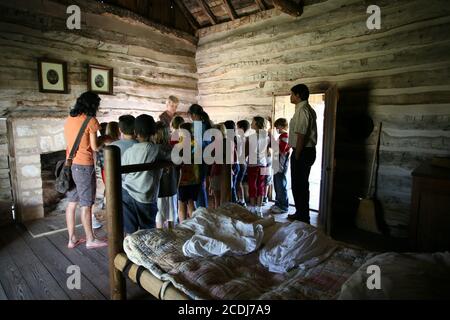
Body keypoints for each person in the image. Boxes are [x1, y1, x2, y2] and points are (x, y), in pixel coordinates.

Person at [64, 91, 108, 249]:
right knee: (86, 205)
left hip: (70, 164)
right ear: (93, 105)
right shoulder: (91, 121)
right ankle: (90, 240)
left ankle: (71, 239)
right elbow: (95, 147)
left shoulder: (70, 118)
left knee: (72, 202)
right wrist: (106, 138)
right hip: (84, 166)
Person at [121, 114, 171, 234]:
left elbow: (123, 175)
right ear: (154, 131)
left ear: (135, 132)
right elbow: (176, 155)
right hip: (145, 197)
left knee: (130, 233)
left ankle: (129, 251)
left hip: (126, 194)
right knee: (147, 232)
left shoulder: (129, 152)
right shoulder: (157, 150)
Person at [287, 84, 317, 224]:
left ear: (298, 95)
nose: (291, 97)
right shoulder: (303, 109)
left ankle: (303, 216)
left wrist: (297, 154)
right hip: (303, 151)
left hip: (302, 151)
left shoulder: (303, 110)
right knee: (299, 185)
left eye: (292, 94)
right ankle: (300, 213)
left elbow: (301, 136)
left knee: (300, 185)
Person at [154, 121, 179, 229]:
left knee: (159, 215)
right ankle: (171, 236)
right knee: (172, 214)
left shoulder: (153, 149)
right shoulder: (173, 148)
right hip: (171, 185)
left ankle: (160, 238)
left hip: (158, 188)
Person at [187, 104, 212, 208]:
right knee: (201, 186)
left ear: (192, 115)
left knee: (198, 187)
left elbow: (196, 145)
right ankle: (203, 209)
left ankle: (201, 210)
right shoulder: (206, 125)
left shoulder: (197, 126)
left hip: (198, 159)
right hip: (205, 158)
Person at [245, 116, 269, 217]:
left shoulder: (250, 138)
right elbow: (267, 152)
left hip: (253, 165)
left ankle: (253, 209)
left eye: (253, 122)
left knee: (252, 185)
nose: (251, 124)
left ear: (257, 124)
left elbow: (246, 153)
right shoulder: (267, 137)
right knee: (261, 185)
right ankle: (259, 210)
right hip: (264, 164)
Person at [177, 122, 200, 222]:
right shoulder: (196, 142)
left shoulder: (180, 143)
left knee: (181, 203)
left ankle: (183, 226)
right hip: (194, 177)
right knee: (191, 202)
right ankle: (193, 224)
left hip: (182, 178)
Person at [271, 118, 291, 214]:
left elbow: (281, 150)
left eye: (277, 126)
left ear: (282, 126)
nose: (276, 129)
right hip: (277, 163)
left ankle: (283, 206)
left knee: (281, 185)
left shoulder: (285, 136)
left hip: (281, 164)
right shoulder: (282, 136)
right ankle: (278, 203)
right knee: (277, 183)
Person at [236, 120, 250, 207]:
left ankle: (242, 200)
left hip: (240, 162)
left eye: (237, 127)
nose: (236, 129)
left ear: (241, 128)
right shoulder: (246, 138)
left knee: (238, 183)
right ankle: (241, 200)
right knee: (239, 182)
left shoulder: (239, 138)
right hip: (244, 162)